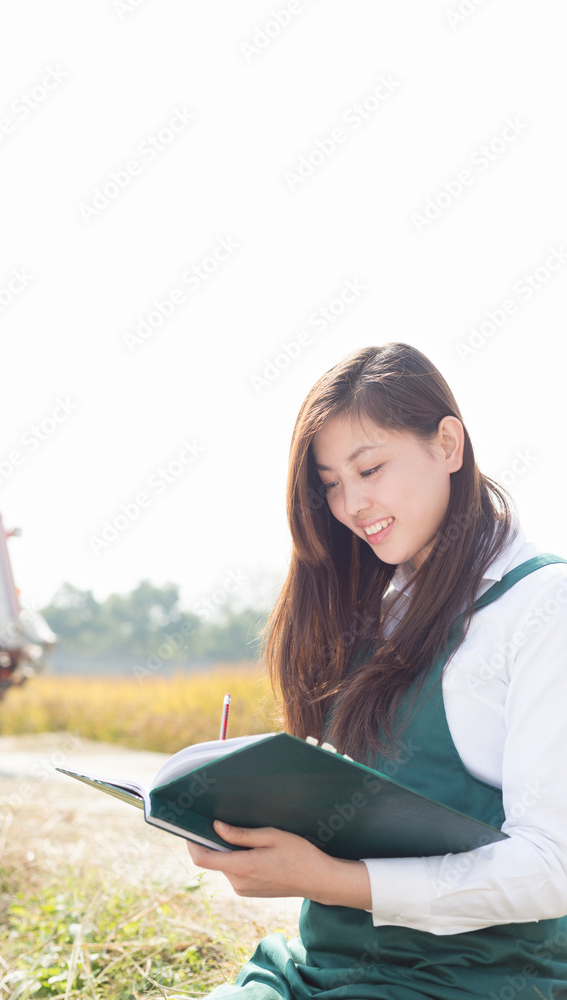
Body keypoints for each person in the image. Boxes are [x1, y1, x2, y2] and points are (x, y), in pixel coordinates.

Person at [185, 342, 567, 999]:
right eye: (330, 483)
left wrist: (321, 877)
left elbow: (550, 868)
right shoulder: (377, 605)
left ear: (447, 445)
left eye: (370, 468)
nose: (351, 504)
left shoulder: (539, 608)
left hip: (472, 981)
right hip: (317, 966)